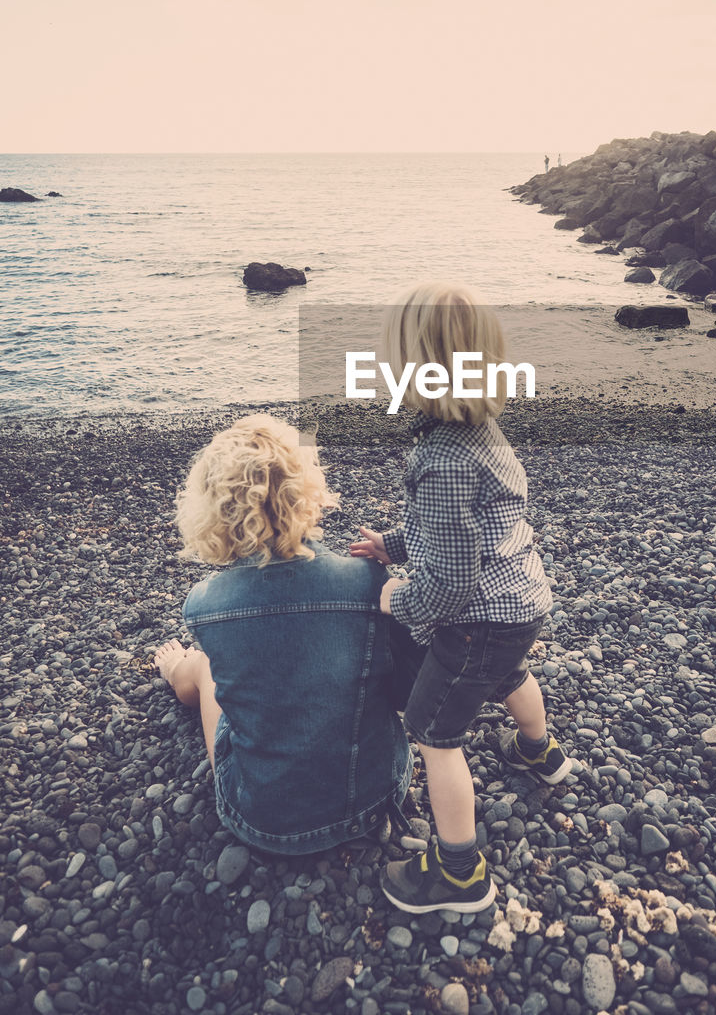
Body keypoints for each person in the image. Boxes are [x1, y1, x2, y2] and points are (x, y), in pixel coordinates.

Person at [350, 283, 569, 913]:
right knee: (509, 672)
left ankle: (459, 872)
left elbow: (449, 579)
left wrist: (401, 602)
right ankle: (539, 752)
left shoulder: (444, 460)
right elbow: (461, 529)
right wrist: (393, 544)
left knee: (435, 734)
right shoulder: (481, 431)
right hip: (520, 602)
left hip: (475, 618)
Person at [155, 414, 412, 855]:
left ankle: (177, 670)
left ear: (214, 510)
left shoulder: (204, 605)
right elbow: (402, 691)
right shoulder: (367, 579)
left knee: (205, 669)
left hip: (264, 821)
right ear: (307, 493)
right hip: (375, 794)